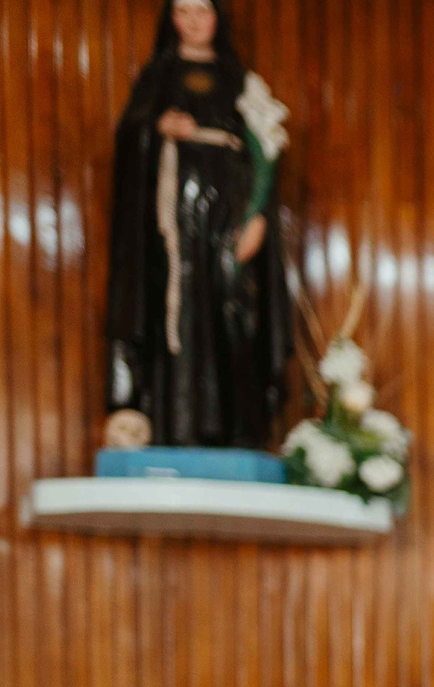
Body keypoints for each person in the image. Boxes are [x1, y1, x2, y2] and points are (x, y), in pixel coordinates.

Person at [104, 0, 292, 450]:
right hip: (172, 232)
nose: (192, 21)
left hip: (229, 222)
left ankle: (239, 430)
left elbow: (263, 154)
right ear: (171, 20)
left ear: (217, 18)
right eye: (183, 11)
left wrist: (256, 219)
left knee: (234, 311)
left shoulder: (239, 80)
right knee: (178, 316)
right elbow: (130, 138)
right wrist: (155, 126)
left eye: (202, 11)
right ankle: (175, 428)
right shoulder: (158, 77)